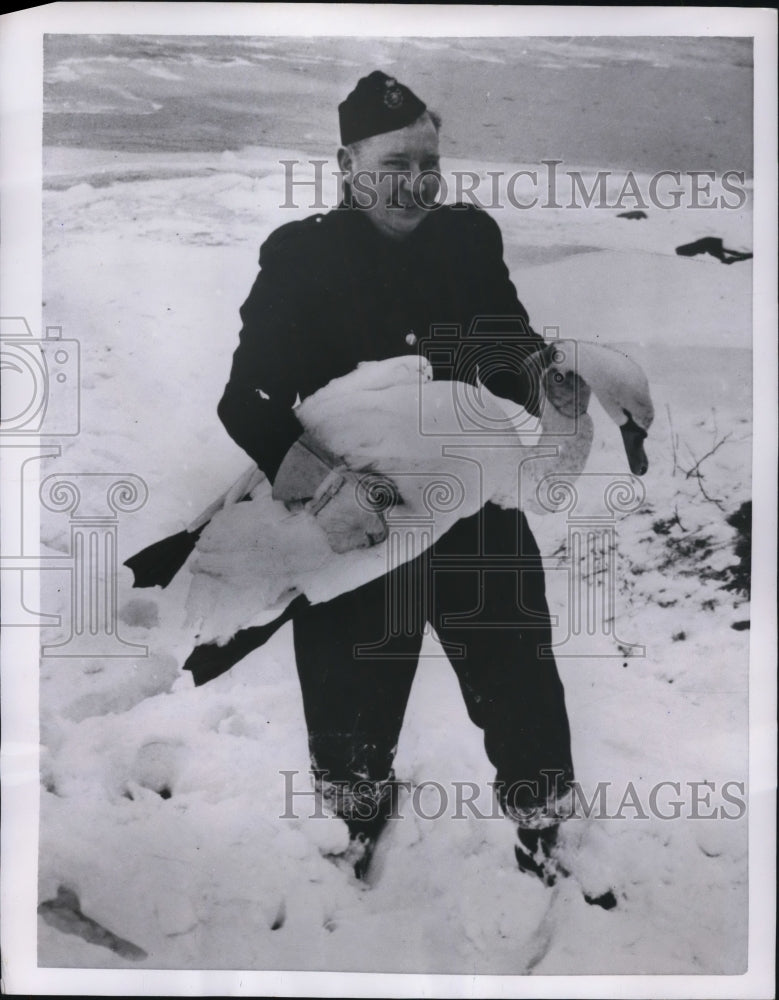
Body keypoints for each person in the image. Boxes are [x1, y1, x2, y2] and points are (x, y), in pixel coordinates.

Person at [217, 71, 577, 886]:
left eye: (428, 162)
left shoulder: (466, 238)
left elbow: (505, 341)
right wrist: (323, 488)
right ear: (347, 162)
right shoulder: (301, 254)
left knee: (518, 675)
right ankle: (357, 818)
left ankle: (544, 828)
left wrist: (541, 376)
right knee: (350, 695)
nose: (416, 183)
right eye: (394, 164)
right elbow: (248, 400)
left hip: (468, 503)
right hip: (360, 512)